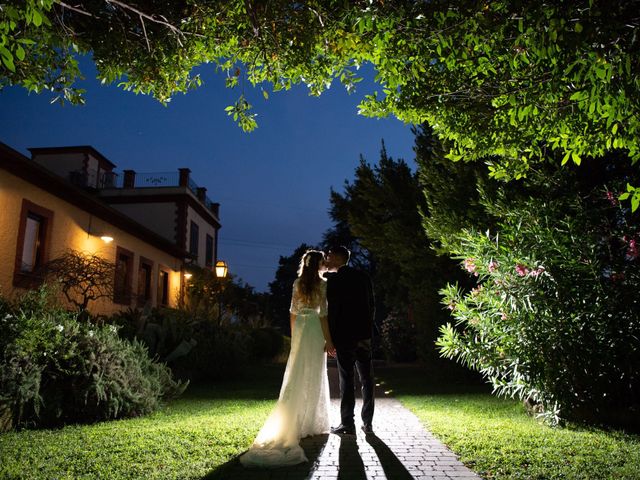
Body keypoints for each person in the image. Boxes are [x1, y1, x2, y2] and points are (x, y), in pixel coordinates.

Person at [240, 250, 334, 467]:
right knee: (313, 372)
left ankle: (301, 421)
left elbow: (292, 312)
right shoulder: (323, 284)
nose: (324, 265)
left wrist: (294, 338)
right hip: (314, 328)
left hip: (301, 327)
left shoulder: (297, 282)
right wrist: (329, 341)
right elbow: (323, 315)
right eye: (322, 262)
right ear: (318, 264)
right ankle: (309, 422)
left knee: (297, 371)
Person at [324, 245, 375, 435]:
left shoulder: (335, 280)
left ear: (338, 258)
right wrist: (368, 328)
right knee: (367, 379)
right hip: (364, 334)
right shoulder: (363, 277)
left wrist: (330, 338)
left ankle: (348, 423)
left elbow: (333, 311)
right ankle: (368, 423)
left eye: (329, 256)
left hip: (344, 335)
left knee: (347, 378)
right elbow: (372, 305)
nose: (327, 259)